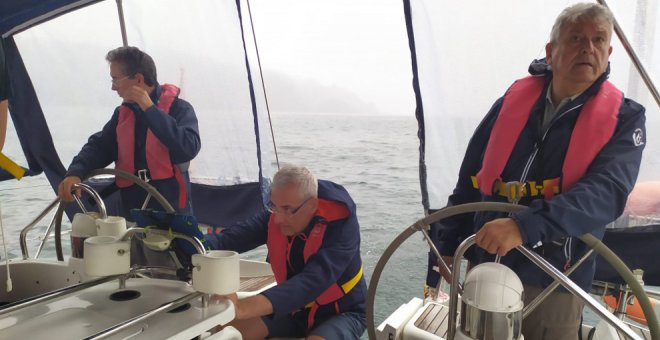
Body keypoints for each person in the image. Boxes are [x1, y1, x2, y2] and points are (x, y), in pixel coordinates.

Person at [426, 3, 646, 339]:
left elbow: (606, 193)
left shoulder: (626, 119)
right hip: (485, 264)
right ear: (551, 50)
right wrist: (446, 241)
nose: (589, 48)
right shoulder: (511, 102)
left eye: (599, 40)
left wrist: (523, 226)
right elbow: (472, 176)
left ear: (609, 51)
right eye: (576, 38)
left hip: (555, 278)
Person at [208, 165, 367, 340]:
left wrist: (242, 308)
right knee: (224, 332)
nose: (278, 218)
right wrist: (191, 247)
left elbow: (312, 281)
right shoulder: (276, 215)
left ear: (312, 205)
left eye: (287, 209)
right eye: (274, 206)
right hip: (293, 309)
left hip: (341, 312)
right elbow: (229, 239)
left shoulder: (341, 227)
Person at [57, 46, 201, 217]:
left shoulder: (180, 109)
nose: (113, 87)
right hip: (132, 209)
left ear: (138, 80)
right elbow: (100, 147)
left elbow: (189, 147)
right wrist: (75, 173)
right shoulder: (122, 115)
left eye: (115, 79)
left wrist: (150, 110)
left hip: (171, 209)